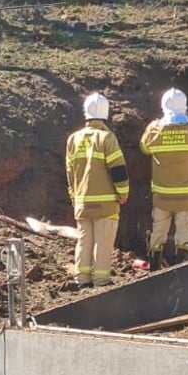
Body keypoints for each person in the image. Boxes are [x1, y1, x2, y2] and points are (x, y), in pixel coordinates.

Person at [139, 88, 188, 269]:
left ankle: (155, 268)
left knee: (159, 231)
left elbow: (144, 148)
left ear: (163, 106)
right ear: (185, 106)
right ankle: (181, 270)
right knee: (184, 231)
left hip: (162, 196)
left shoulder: (154, 129)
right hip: (187, 197)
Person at [65, 93, 129, 287]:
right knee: (103, 242)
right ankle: (101, 280)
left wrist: (74, 197)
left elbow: (70, 172)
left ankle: (81, 279)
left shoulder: (73, 139)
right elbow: (118, 169)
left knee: (84, 241)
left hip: (82, 202)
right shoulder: (107, 138)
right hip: (106, 204)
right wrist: (123, 193)